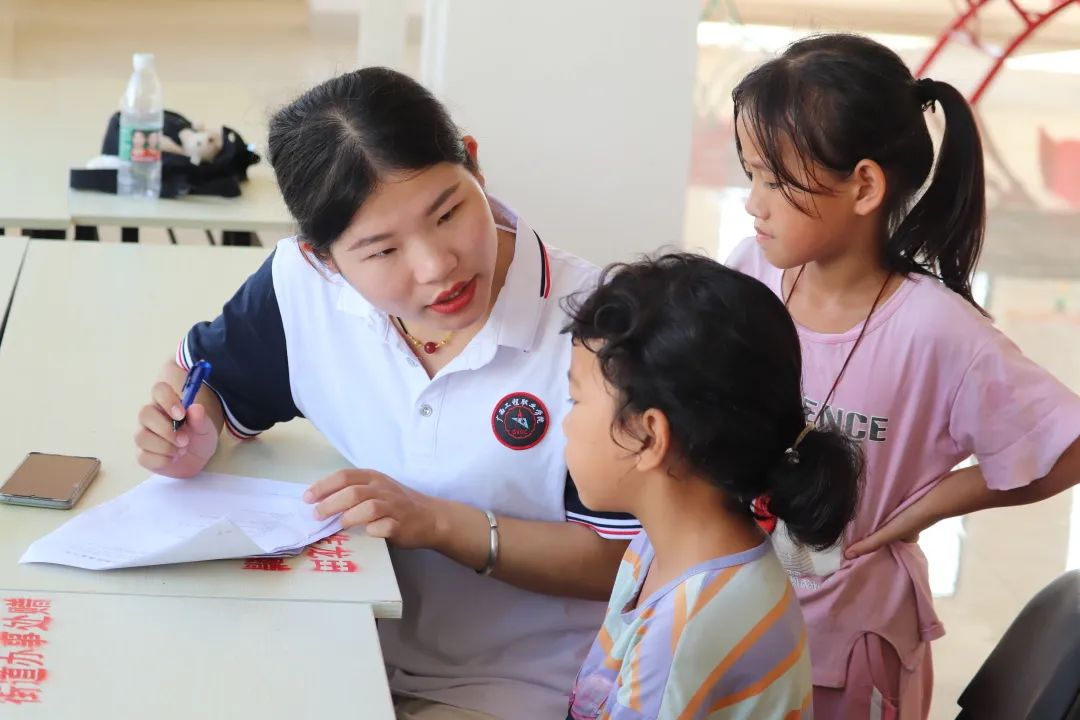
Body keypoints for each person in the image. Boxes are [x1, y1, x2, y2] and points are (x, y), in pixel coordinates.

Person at [133, 67, 640, 720]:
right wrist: (191, 430)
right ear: (321, 258)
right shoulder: (301, 288)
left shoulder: (598, 327)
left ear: (475, 164)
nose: (436, 266)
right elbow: (207, 383)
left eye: (448, 213)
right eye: (381, 251)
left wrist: (439, 524)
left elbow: (628, 560)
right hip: (343, 642)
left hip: (519, 684)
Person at [727, 32, 1080, 718]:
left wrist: (922, 509)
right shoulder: (751, 270)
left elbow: (1066, 447)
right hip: (736, 623)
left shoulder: (937, 329)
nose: (752, 202)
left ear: (864, 186)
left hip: (849, 654)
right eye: (751, 175)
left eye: (775, 181)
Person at [562, 254, 863, 719]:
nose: (565, 424)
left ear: (649, 436)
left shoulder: (684, 632)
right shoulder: (658, 547)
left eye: (575, 400)